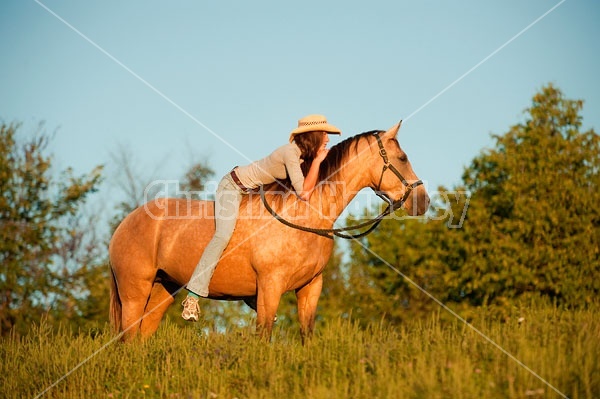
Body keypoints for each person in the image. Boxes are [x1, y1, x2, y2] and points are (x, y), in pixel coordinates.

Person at [181, 114, 342, 321]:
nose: (327, 139)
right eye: (324, 134)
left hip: (253, 195)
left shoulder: (304, 158)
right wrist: (319, 161)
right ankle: (193, 295)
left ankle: (250, 296)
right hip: (232, 188)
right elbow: (304, 193)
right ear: (313, 136)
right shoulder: (289, 153)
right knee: (223, 235)